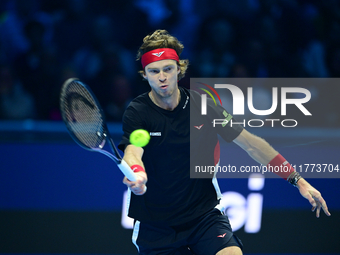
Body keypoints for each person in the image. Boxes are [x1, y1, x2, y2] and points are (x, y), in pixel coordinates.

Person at [118, 29, 331, 255]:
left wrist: (297, 180)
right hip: (156, 226)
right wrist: (137, 171)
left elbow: (251, 143)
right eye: (154, 71)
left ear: (179, 70)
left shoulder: (203, 105)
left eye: (168, 69)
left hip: (203, 216)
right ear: (145, 75)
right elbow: (133, 150)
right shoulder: (137, 112)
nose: (162, 77)